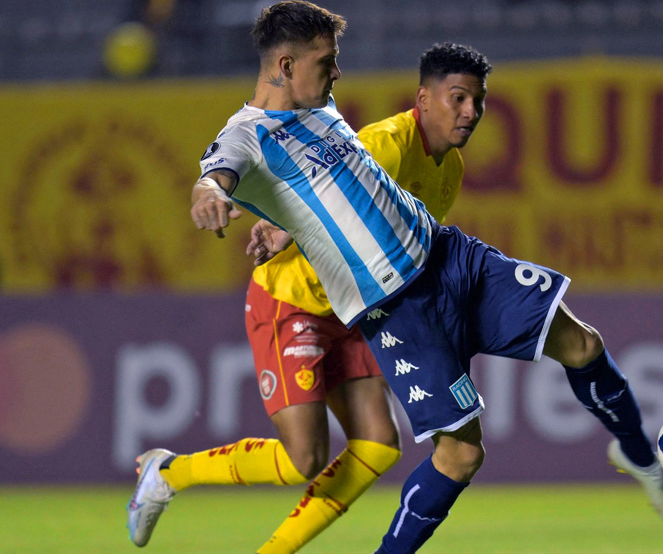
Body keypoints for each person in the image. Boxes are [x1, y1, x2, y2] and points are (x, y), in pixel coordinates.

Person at [188, 0, 663, 553]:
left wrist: (282, 228)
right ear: (284, 66)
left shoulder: (323, 109)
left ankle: (640, 458)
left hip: (450, 259)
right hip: (395, 308)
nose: (337, 73)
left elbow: (338, 191)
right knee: (461, 454)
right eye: (327, 61)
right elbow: (219, 172)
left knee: (583, 342)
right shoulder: (247, 134)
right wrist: (211, 195)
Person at [126, 41, 493, 554]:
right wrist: (279, 229)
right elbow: (321, 180)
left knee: (378, 446)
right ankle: (168, 472)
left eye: (478, 102)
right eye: (459, 99)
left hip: (354, 305)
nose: (470, 113)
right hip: (293, 298)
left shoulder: (448, 169)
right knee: (305, 457)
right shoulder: (385, 143)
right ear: (424, 98)